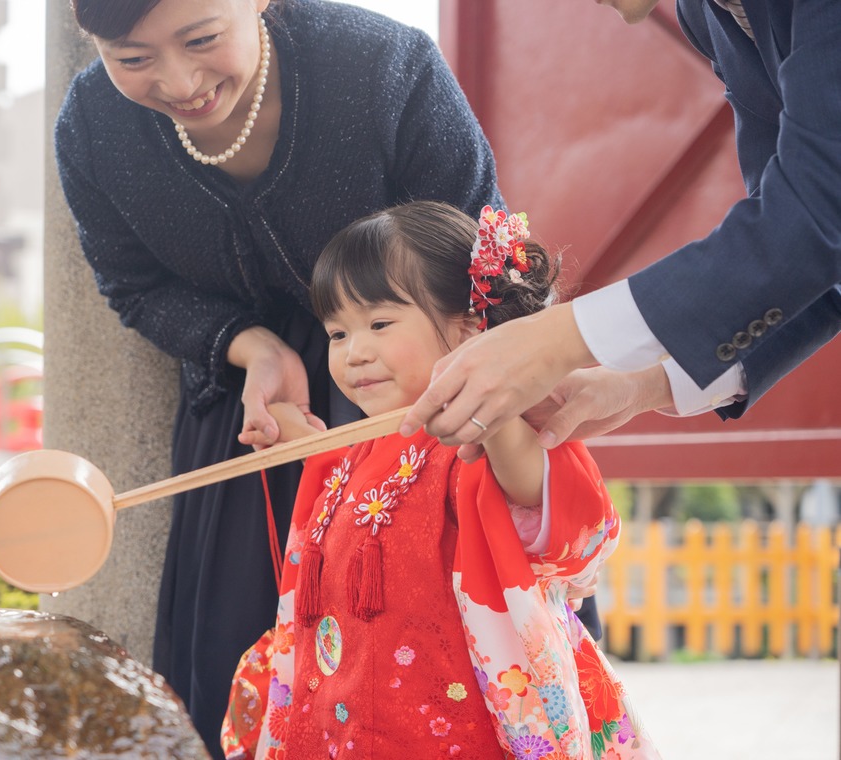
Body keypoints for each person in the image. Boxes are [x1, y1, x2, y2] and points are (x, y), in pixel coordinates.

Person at [55, 0, 508, 753]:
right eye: (133, 58)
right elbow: (133, 286)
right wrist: (245, 344)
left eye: (200, 39)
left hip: (414, 404)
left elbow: (480, 258)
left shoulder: (381, 68)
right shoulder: (93, 128)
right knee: (241, 659)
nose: (179, 81)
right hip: (254, 424)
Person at [221, 201, 658, 759]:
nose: (355, 353)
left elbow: (542, 497)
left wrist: (496, 410)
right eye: (337, 334)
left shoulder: (490, 439)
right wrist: (292, 432)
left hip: (455, 724)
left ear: (471, 327)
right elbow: (328, 467)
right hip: (346, 715)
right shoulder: (353, 450)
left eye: (379, 324)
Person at [399, 0, 841, 453]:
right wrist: (640, 385)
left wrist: (561, 338)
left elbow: (817, 209)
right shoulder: (705, 13)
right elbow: (812, 261)